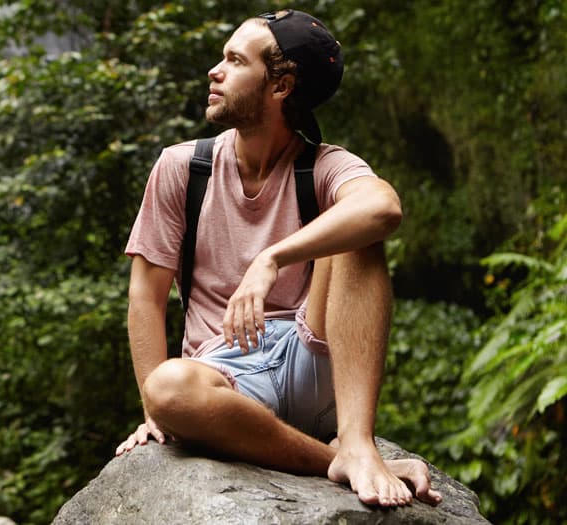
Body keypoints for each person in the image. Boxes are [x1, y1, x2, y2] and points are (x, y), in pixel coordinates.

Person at [114, 9, 442, 507]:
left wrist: (271, 258)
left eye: (234, 60)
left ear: (281, 85)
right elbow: (145, 294)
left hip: (313, 356)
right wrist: (153, 413)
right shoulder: (183, 168)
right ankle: (334, 459)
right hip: (223, 375)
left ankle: (356, 439)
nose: (214, 71)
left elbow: (383, 208)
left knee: (359, 229)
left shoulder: (325, 166)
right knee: (168, 387)